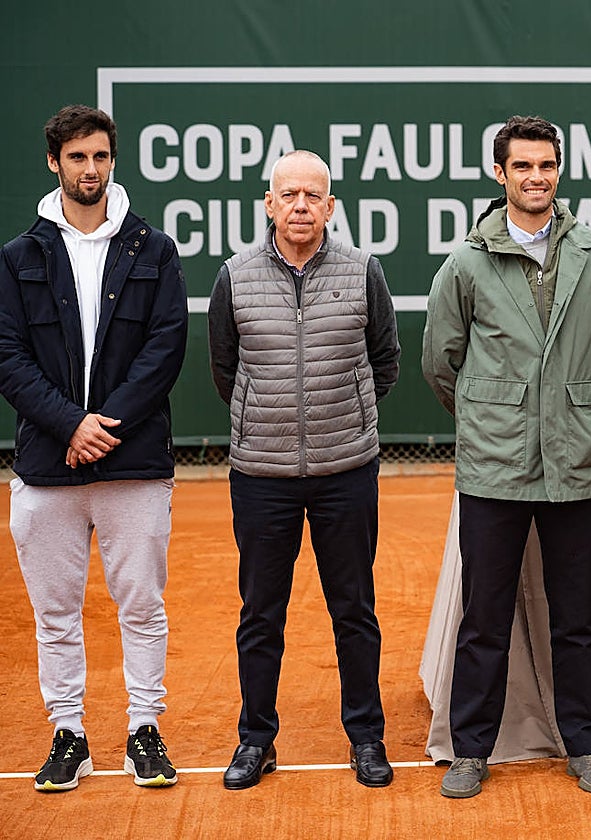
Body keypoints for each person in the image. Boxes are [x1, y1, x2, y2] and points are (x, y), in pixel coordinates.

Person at [422, 115, 591, 799]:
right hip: (495, 467)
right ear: (500, 174)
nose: (535, 178)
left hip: (579, 464)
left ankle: (587, 745)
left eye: (546, 166)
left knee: (577, 616)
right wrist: (499, 418)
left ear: (558, 171)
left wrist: (564, 415)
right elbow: (440, 362)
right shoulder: (466, 262)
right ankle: (470, 749)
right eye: (522, 167)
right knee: (484, 617)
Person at [0, 105, 188, 791]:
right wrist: (67, 425)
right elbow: (8, 355)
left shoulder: (154, 249)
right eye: (77, 157)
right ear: (55, 162)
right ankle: (69, 733)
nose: (90, 169)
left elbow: (166, 347)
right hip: (48, 466)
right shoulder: (18, 258)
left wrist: (102, 423)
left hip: (132, 463)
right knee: (56, 612)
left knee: (141, 604)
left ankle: (145, 726)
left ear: (113, 161)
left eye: (100, 156)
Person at [208, 149, 401, 790]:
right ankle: (255, 740)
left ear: (330, 206)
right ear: (269, 203)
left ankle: (367, 739)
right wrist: (264, 423)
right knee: (261, 613)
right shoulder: (234, 276)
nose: (299, 206)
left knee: (354, 610)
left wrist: (343, 417)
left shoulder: (362, 272)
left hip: (346, 471)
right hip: (260, 476)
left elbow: (385, 361)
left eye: (311, 196)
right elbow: (224, 368)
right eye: (287, 194)